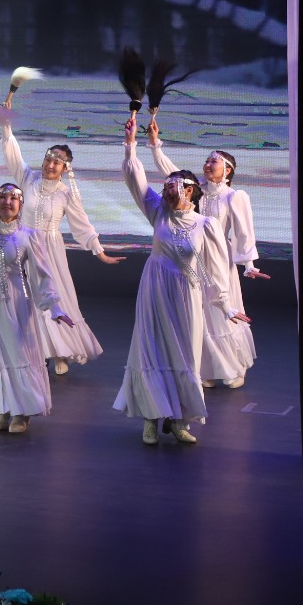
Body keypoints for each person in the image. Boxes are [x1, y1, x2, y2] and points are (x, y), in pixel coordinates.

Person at [115, 117, 253, 445]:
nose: (165, 191)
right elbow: (135, 180)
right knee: (150, 351)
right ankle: (150, 419)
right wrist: (131, 144)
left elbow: (215, 269)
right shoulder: (158, 212)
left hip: (187, 295)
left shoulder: (206, 225)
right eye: (165, 187)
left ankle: (179, 420)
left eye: (171, 187)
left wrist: (224, 304)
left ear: (189, 190)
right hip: (154, 291)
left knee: (187, 355)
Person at [0, 139, 75, 433]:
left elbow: (43, 274)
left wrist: (54, 307)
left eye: (13, 198)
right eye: (2, 197)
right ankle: (3, 405)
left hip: (16, 300)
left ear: (21, 205)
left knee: (19, 351)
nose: (7, 201)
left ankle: (23, 411)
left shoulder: (29, 235)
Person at [149, 119, 267, 389]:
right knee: (199, 311)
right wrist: (156, 146)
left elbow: (243, 231)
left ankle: (235, 367)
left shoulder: (234, 196)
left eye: (213, 161)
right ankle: (208, 368)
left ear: (228, 170)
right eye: (207, 160)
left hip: (220, 258)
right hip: (194, 257)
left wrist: (248, 264)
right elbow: (172, 173)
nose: (207, 164)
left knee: (222, 309)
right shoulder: (197, 191)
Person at [0, 123, 125, 375]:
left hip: (49, 251)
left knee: (53, 297)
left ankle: (60, 351)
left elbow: (82, 225)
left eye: (57, 163)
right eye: (48, 159)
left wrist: (99, 252)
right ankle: (33, 351)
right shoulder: (28, 179)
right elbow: (13, 155)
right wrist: (6, 128)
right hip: (22, 247)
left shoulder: (66, 194)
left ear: (65, 169)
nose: (50, 165)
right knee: (24, 298)